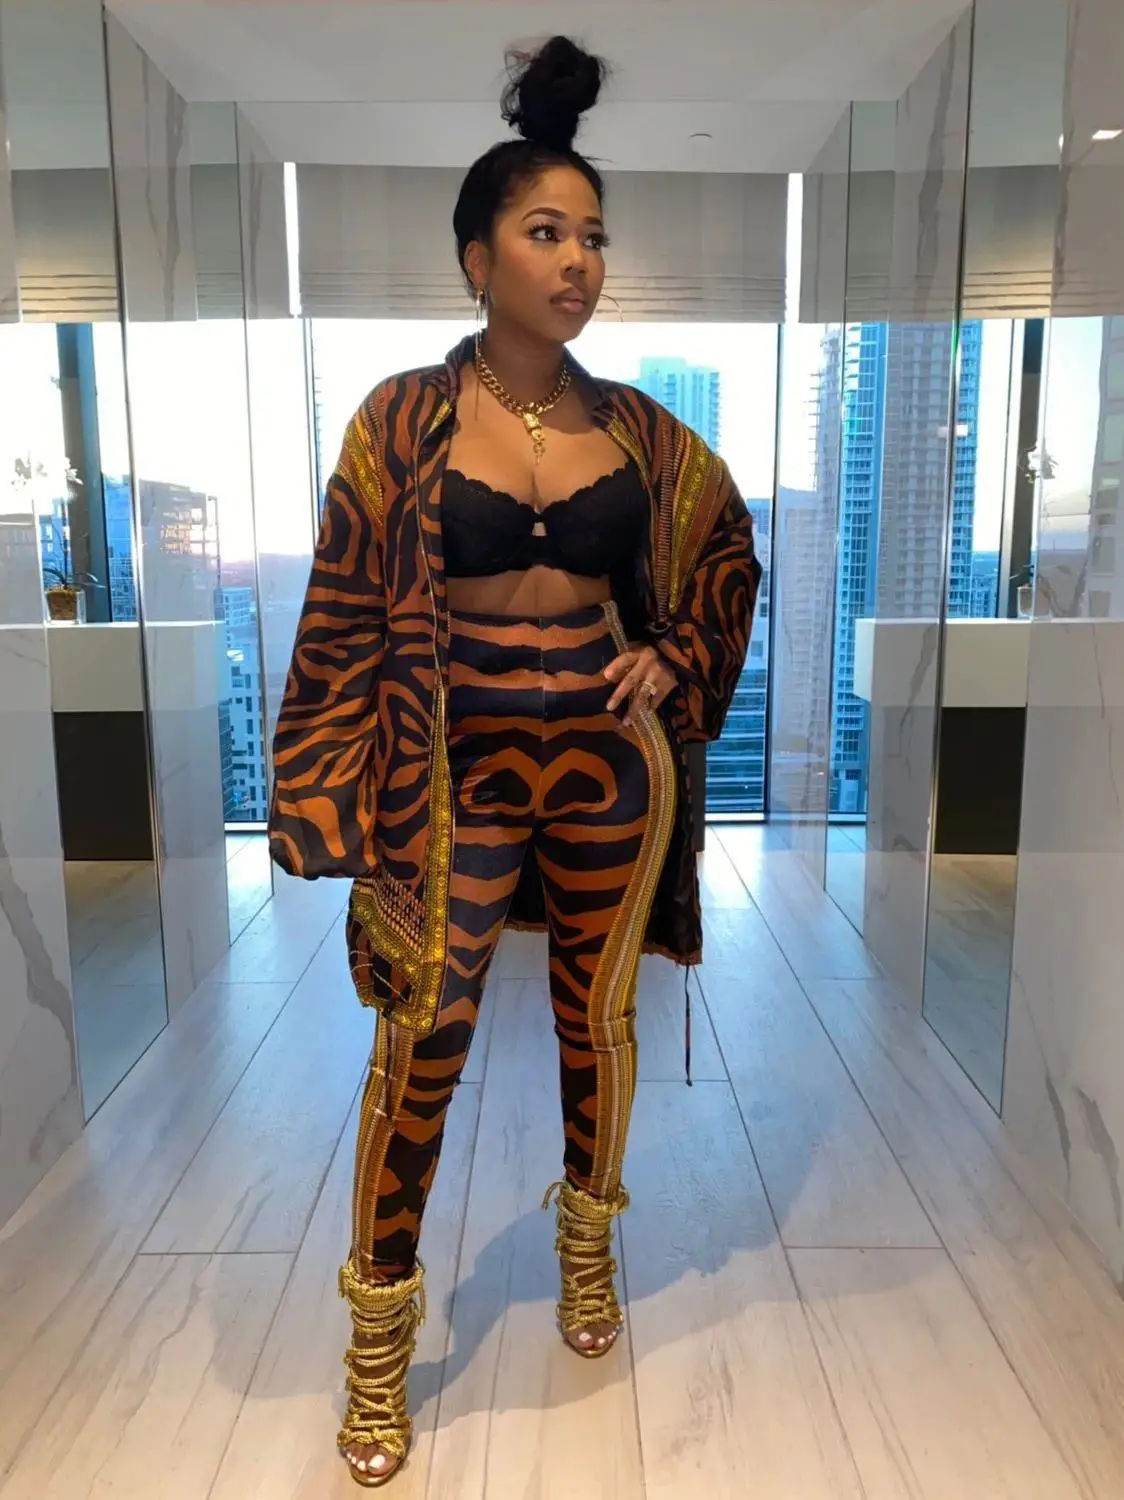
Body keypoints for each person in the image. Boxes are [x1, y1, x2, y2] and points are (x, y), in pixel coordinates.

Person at [269, 34, 761, 1489]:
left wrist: (676, 657)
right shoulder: (400, 420)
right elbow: (342, 601)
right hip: (453, 776)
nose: (579, 261)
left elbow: (726, 552)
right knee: (421, 1037)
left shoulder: (643, 433)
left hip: (610, 770)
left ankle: (587, 1248)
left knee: (595, 1027)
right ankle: (379, 1338)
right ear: (477, 258)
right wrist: (322, 799)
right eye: (547, 233)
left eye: (593, 236)